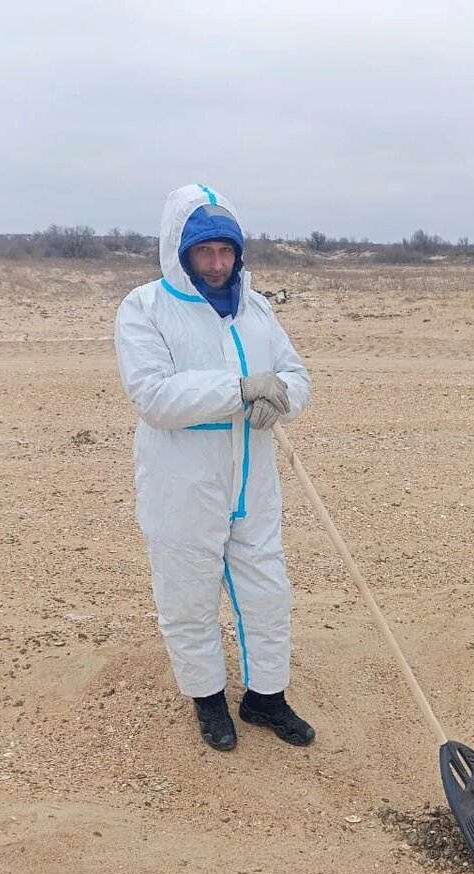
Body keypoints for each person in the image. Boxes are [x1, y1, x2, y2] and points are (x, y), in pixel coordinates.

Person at [114, 183, 314, 753]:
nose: (218, 263)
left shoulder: (256, 307)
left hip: (253, 481)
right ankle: (208, 701)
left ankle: (265, 697)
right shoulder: (145, 308)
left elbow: (295, 374)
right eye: (205, 252)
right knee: (188, 596)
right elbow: (153, 395)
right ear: (181, 252)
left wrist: (282, 397)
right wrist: (239, 390)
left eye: (227, 251)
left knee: (268, 593)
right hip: (183, 486)